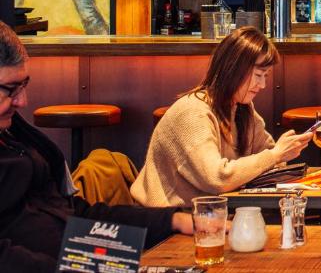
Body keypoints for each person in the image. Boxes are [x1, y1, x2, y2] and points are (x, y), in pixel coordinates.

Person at [0, 21, 192, 272]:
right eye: (11, 89)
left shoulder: (18, 137)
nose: (22, 101)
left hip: (88, 257)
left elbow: (73, 214)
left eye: (24, 85)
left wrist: (173, 221)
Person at [131, 27, 312, 207]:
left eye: (265, 76)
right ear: (233, 69)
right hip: (167, 221)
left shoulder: (241, 107)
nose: (263, 84)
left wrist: (280, 154)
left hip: (211, 212)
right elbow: (216, 178)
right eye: (258, 75)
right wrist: (275, 155)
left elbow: (269, 158)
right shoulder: (193, 112)